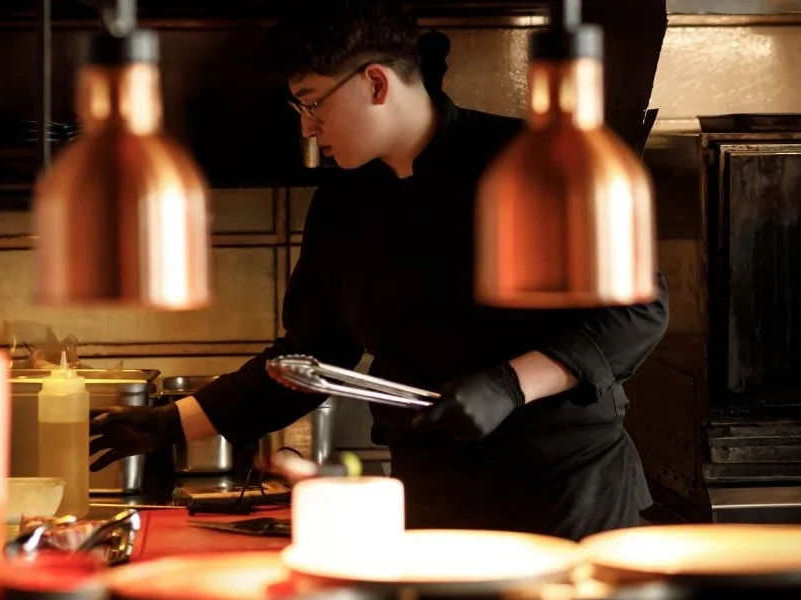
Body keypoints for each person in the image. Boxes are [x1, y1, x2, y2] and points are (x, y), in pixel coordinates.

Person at [90, 0, 670, 541]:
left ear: (375, 83)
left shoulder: (532, 162)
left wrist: (509, 385)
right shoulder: (343, 201)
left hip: (568, 496)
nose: (307, 128)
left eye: (312, 102)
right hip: (430, 501)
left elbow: (637, 310)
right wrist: (171, 423)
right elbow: (310, 358)